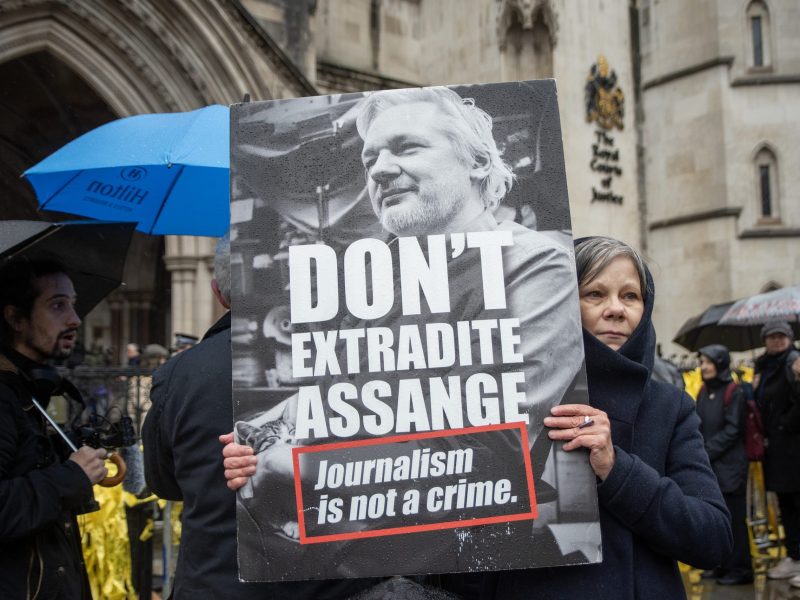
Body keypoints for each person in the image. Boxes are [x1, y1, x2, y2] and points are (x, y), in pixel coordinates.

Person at [224, 236, 733, 598]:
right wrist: (259, 466)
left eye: (631, 296)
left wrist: (615, 467)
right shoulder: (484, 390)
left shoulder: (668, 406)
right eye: (594, 294)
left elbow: (711, 538)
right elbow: (395, 497)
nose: (616, 309)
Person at [226, 86, 585, 580]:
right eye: (371, 156)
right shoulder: (378, 274)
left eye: (407, 147)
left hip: (449, 573)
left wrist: (302, 466)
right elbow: (331, 398)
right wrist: (253, 437)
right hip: (339, 565)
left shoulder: (534, 263)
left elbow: (484, 449)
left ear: (477, 163)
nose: (378, 169)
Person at [142, 236, 377, 599]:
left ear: (218, 292)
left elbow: (164, 482)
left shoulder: (180, 375)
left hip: (218, 585)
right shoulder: (366, 360)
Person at [0, 258, 108, 600]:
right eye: (57, 305)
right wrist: (70, 478)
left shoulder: (26, 389)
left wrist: (65, 457)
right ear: (15, 318)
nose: (75, 319)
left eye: (73, 305)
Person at [694, 344, 752, 585]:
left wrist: (706, 451)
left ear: (720, 363)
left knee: (734, 519)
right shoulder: (702, 391)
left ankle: (740, 570)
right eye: (702, 362)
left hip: (731, 467)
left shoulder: (734, 391)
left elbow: (733, 429)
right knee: (716, 517)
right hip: (712, 465)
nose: (703, 367)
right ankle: (720, 565)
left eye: (708, 362)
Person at [753, 321, 800, 582]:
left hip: (794, 445)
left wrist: (786, 423)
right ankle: (794, 557)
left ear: (790, 338)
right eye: (772, 336)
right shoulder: (763, 366)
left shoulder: (794, 361)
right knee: (785, 503)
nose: (777, 340)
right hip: (778, 449)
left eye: (782, 336)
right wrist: (753, 385)